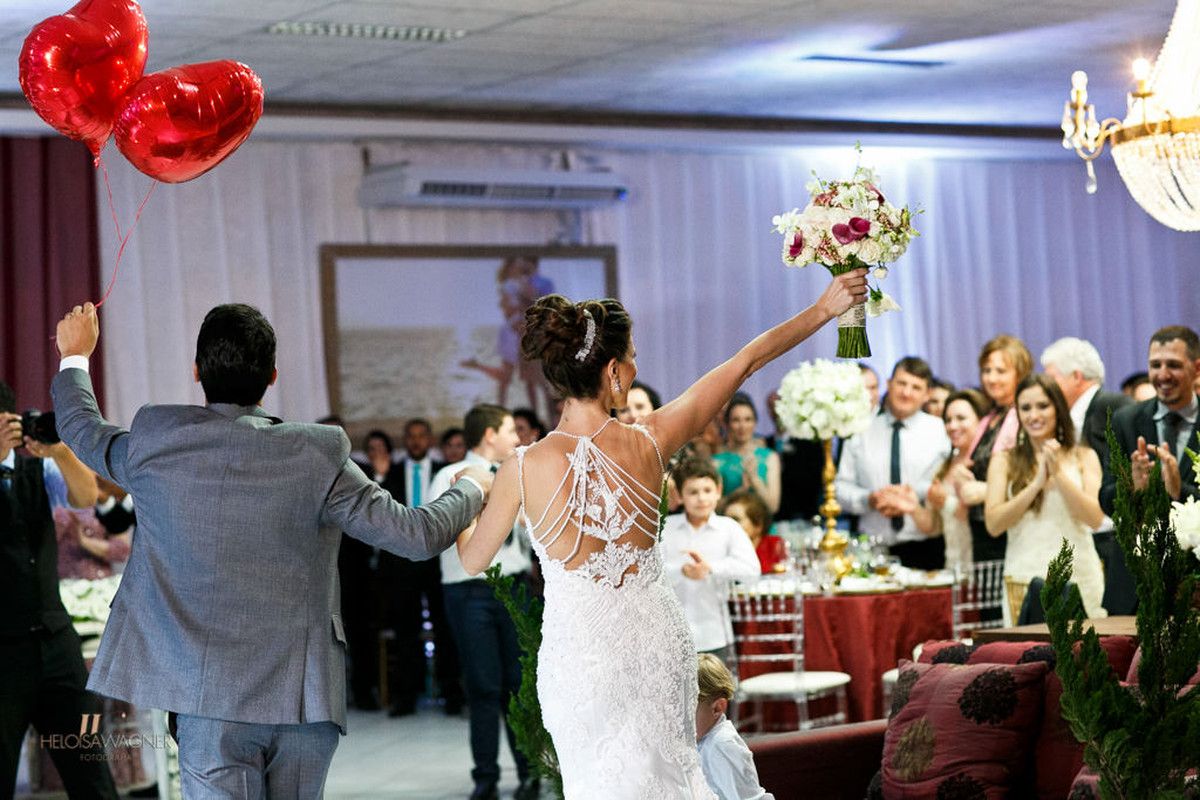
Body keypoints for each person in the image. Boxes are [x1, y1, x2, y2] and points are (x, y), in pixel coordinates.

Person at [454, 269, 867, 797]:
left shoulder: (521, 466)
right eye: (631, 358)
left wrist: (466, 495)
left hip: (581, 659)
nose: (635, 368)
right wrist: (826, 307)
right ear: (612, 371)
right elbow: (746, 361)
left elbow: (473, 560)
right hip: (657, 645)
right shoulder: (652, 439)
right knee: (673, 777)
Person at [51, 302, 492, 797]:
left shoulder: (157, 440)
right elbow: (416, 535)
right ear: (272, 376)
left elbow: (79, 426)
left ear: (196, 372)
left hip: (207, 699)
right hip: (303, 699)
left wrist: (75, 355)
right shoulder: (318, 453)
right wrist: (472, 486)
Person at [1, 381, 116, 799]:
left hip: (55, 644)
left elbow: (86, 498)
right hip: (2, 653)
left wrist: (60, 451)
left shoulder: (38, 469)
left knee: (90, 768)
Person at [431, 404, 536, 800]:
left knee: (519, 683)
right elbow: (440, 527)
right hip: (470, 589)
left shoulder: (516, 474)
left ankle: (530, 772)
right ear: (490, 434)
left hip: (514, 585)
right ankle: (486, 777)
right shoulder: (450, 475)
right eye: (510, 430)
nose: (517, 438)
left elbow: (531, 529)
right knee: (483, 685)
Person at [985, 375, 1106, 618]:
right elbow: (994, 524)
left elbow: (1094, 518)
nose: (1034, 415)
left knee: (1085, 641)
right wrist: (1036, 485)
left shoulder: (1084, 456)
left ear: (1058, 408)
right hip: (1024, 576)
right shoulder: (1004, 460)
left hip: (1079, 574)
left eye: (1042, 406)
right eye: (1025, 408)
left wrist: (1058, 474)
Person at [834, 357, 950, 570]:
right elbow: (840, 488)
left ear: (927, 394)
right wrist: (870, 499)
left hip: (926, 546)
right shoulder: (860, 429)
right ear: (888, 384)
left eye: (916, 387)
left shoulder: (941, 431)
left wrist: (908, 496)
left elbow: (946, 485)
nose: (906, 392)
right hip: (872, 547)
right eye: (901, 383)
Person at [661, 458, 760, 661]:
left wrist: (711, 568)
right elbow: (651, 574)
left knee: (719, 682)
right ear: (679, 495)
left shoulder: (729, 528)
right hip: (671, 635)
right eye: (693, 492)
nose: (701, 498)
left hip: (715, 633)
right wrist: (682, 571)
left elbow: (751, 570)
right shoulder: (666, 527)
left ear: (718, 491)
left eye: (707, 490)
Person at [1100, 325, 1200, 514]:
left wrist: (1180, 490)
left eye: (1173, 365)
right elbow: (1106, 501)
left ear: (1196, 368)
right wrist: (1132, 486)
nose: (1163, 375)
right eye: (1155, 365)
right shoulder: (1125, 421)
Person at [964, 334, 1033, 563]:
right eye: (987, 370)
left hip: (1010, 529)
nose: (991, 378)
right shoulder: (989, 417)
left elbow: (1030, 478)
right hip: (980, 530)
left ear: (1020, 373)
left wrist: (986, 491)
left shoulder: (1026, 417)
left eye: (1001, 371)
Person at [911, 389, 990, 574]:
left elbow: (986, 522)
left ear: (981, 420)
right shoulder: (944, 465)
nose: (953, 426)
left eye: (961, 418)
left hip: (981, 565)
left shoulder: (987, 463)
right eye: (948, 420)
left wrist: (946, 502)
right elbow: (935, 527)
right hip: (951, 567)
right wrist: (912, 506)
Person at [695, 653, 775, 800]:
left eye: (688, 714)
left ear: (717, 708)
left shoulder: (721, 744)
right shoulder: (703, 738)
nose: (679, 723)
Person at [1041, 337, 1132, 462]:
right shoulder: (1064, 417)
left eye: (1052, 379)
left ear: (1076, 377)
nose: (1046, 387)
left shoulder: (1115, 407)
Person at [712, 393, 782, 514]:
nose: (742, 426)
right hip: (729, 523)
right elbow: (713, 508)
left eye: (748, 419)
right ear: (727, 424)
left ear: (755, 422)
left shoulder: (770, 457)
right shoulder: (717, 462)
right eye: (736, 420)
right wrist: (739, 493)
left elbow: (773, 506)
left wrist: (755, 479)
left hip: (762, 524)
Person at [718, 489, 787, 575]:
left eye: (736, 520)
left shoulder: (775, 545)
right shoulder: (721, 549)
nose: (730, 525)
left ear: (758, 524)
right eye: (726, 520)